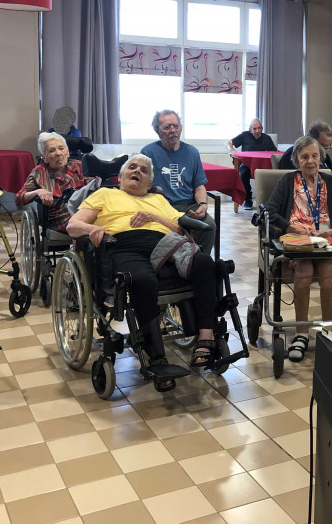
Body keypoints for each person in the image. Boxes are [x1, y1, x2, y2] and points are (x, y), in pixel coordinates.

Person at [67, 154, 221, 391]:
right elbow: (73, 226)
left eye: (144, 170)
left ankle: (206, 336)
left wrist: (153, 216)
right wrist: (93, 228)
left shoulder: (157, 199)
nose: (137, 171)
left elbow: (179, 227)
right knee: (141, 280)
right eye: (132, 167)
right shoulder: (105, 194)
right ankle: (156, 356)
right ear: (120, 177)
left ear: (149, 182)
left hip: (164, 244)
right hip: (123, 244)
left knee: (206, 264)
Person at [265, 136, 332, 362]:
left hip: (326, 242)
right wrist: (293, 229)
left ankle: (327, 331)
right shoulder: (288, 181)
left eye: (314, 156)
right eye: (304, 156)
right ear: (297, 159)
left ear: (321, 157)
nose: (310, 161)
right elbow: (270, 210)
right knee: (304, 274)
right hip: (299, 242)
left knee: (327, 278)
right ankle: (301, 333)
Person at [141, 110, 216, 254]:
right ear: (158, 131)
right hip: (161, 207)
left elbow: (199, 186)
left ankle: (198, 263)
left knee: (209, 226)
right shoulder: (147, 153)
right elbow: (139, 187)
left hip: (189, 207)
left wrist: (202, 205)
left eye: (176, 126)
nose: (173, 131)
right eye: (167, 127)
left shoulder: (192, 152)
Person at [16, 132, 97, 233]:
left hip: (87, 209)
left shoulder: (80, 166)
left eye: (61, 148)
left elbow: (96, 186)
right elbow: (19, 199)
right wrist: (38, 192)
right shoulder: (40, 172)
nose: (58, 153)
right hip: (62, 215)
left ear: (67, 152)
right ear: (44, 157)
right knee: (81, 224)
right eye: (51, 151)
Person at [225, 118, 277, 210]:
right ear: (250, 130)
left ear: (262, 128)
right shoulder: (245, 135)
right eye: (254, 129)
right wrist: (233, 151)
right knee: (243, 173)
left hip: (262, 166)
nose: (257, 131)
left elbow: (274, 154)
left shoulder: (267, 138)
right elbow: (228, 143)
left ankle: (268, 201)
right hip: (247, 164)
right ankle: (248, 199)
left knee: (272, 173)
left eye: (259, 128)